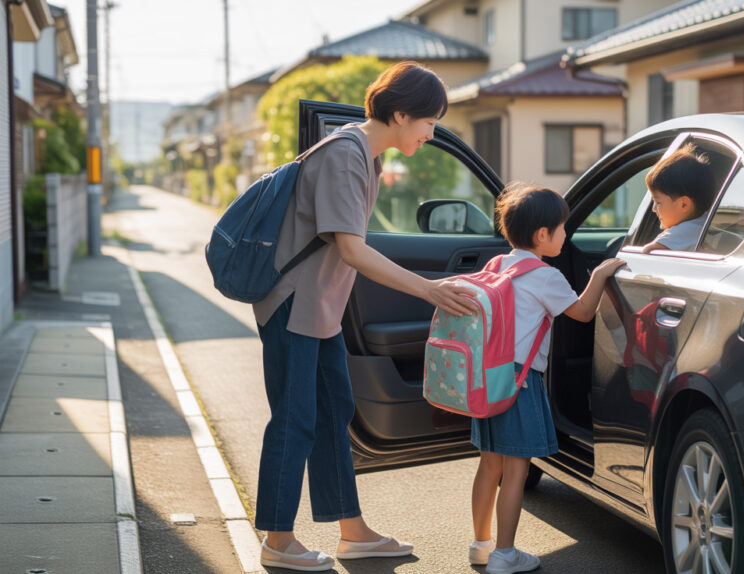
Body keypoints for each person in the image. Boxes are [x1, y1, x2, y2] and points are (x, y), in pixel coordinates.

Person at [251, 61, 478, 572]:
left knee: (334, 415)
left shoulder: (364, 155)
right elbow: (352, 249)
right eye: (429, 121)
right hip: (293, 305)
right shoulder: (345, 154)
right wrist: (428, 289)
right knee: (294, 419)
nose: (431, 132)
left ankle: (352, 532)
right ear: (400, 114)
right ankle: (278, 540)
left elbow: (347, 246)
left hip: (320, 310)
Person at [468, 185, 625, 574]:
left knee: (490, 465)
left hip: (487, 379)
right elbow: (583, 312)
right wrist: (604, 271)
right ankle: (505, 554)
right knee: (517, 469)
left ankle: (481, 544)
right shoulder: (545, 276)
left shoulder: (496, 266)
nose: (565, 236)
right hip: (520, 385)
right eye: (562, 228)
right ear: (542, 235)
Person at [640, 142, 716, 254]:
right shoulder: (707, 223)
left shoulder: (680, 232)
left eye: (658, 202)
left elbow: (648, 251)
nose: (653, 209)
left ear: (684, 204)